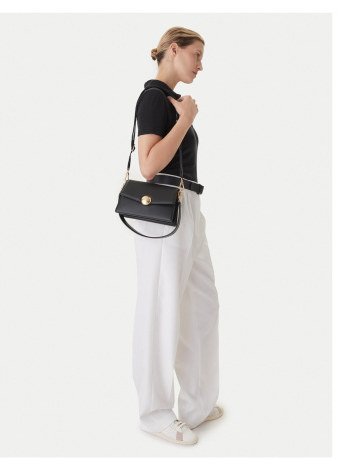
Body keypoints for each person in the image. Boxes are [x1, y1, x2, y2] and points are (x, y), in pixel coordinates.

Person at [131, 27, 223, 446]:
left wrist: (183, 116)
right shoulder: (154, 97)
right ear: (174, 49)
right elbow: (148, 165)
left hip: (188, 207)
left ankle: (197, 405)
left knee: (201, 304)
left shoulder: (171, 99)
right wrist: (185, 120)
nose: (201, 65)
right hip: (164, 209)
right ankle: (154, 415)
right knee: (161, 308)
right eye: (196, 54)